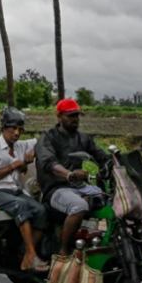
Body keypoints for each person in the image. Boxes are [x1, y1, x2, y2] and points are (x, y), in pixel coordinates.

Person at [0, 107, 49, 272]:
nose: (16, 133)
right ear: (3, 128)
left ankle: (24, 253)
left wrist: (34, 150)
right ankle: (30, 254)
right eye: (13, 128)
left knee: (41, 210)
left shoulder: (21, 146)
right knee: (20, 205)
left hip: (13, 191)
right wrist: (13, 165)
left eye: (20, 129)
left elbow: (45, 137)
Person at [35, 98, 112, 256]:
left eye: (77, 115)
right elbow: (49, 162)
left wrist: (117, 165)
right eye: (70, 116)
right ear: (59, 116)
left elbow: (102, 157)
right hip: (56, 189)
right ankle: (64, 251)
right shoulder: (48, 137)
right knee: (79, 206)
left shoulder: (83, 138)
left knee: (112, 202)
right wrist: (69, 174)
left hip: (79, 187)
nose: (75, 119)